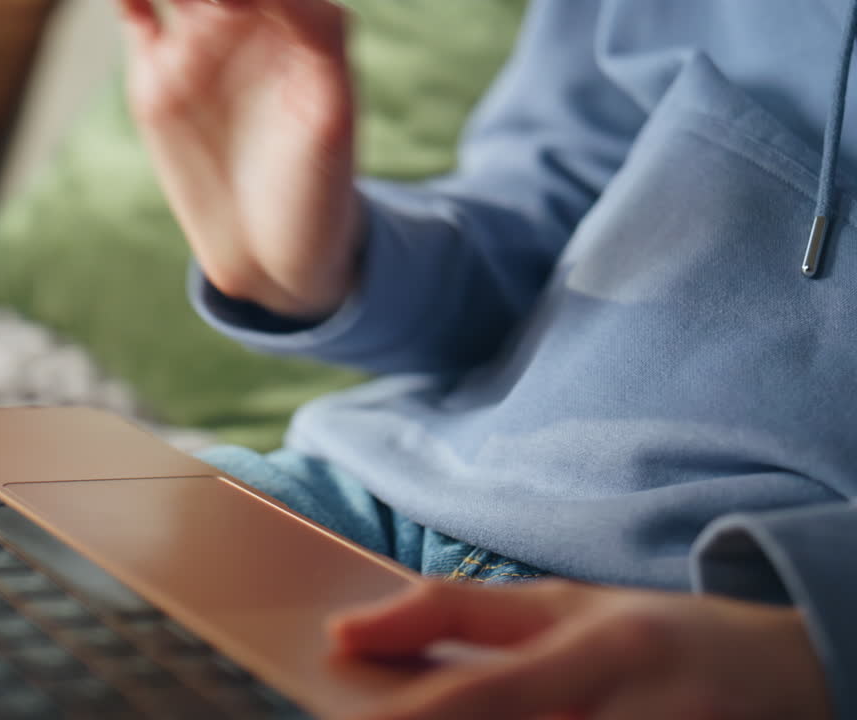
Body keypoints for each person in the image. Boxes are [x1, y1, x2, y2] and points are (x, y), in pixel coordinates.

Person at [115, 0, 857, 718]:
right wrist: (328, 262)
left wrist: (819, 649)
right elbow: (554, 202)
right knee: (34, 590)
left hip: (715, 626)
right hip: (362, 496)